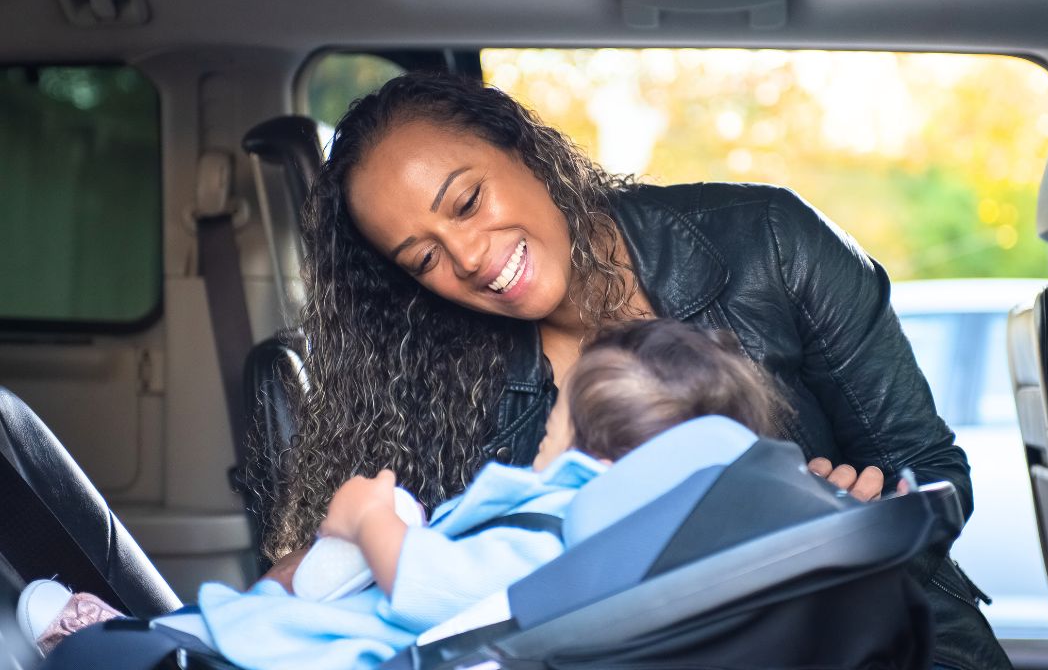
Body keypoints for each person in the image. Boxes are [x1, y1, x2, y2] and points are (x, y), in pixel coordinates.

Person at [264, 72, 1009, 669]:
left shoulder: (771, 243)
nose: (467, 257)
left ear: (521, 147)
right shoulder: (441, 377)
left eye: (466, 201)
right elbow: (403, 554)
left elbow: (929, 466)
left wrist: (860, 510)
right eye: (424, 258)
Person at [22, 319, 783, 669]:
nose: (546, 430)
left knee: (103, 655)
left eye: (558, 416)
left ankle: (111, 640)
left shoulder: (563, 532)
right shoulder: (642, 537)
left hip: (362, 653)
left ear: (595, 450)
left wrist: (368, 519)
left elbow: (429, 588)